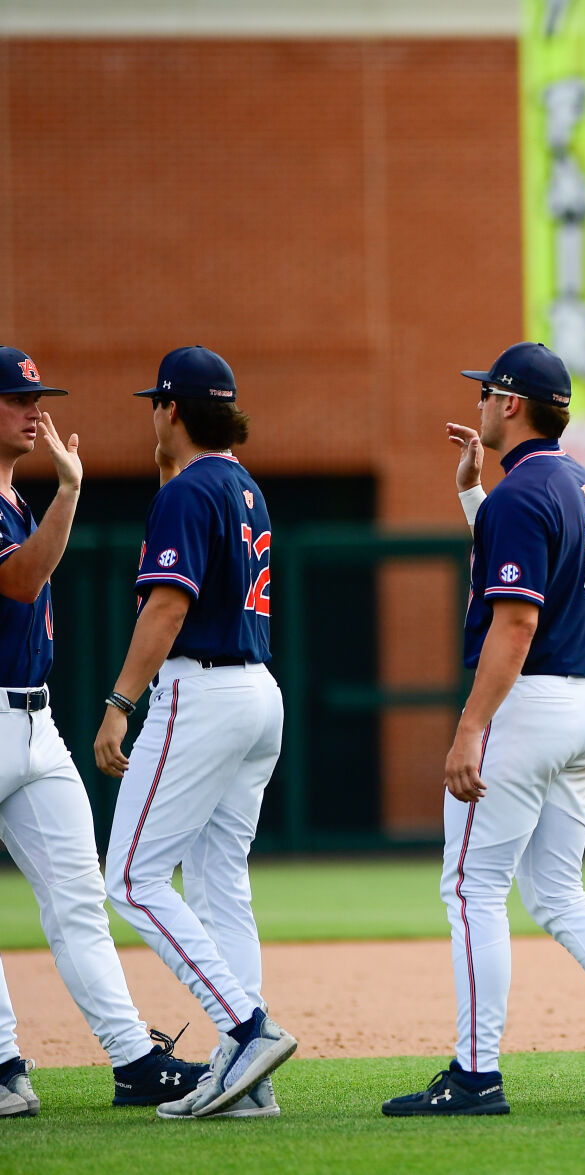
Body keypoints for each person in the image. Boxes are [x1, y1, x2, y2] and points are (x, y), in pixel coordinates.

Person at [383, 342, 585, 1116]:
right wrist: (474, 499)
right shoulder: (576, 482)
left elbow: (518, 619)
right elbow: (533, 573)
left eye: (488, 393)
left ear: (512, 403)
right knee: (558, 891)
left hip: (530, 704)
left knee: (470, 888)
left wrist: (470, 726)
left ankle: (474, 1074)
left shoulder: (521, 495)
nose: (481, 405)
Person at [0, 348, 207, 1118]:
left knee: (81, 897)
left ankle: (132, 1061)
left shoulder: (15, 501)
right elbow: (19, 580)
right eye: (17, 398)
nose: (34, 409)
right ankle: (1, 1066)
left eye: (37, 395)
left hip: (34, 716)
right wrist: (73, 488)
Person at [94, 347, 295, 1120]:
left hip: (200, 690)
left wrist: (120, 699)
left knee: (134, 878)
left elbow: (168, 607)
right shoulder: (241, 485)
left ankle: (247, 1032)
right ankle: (249, 1078)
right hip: (256, 692)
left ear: (171, 409)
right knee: (218, 884)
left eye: (157, 403)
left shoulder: (190, 491)